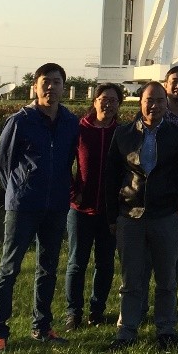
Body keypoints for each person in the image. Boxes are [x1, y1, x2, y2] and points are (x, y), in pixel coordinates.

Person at [0, 62, 80, 352]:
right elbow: (2, 163)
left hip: (56, 206)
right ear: (35, 87)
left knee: (48, 268)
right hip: (24, 205)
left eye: (57, 82)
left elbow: (69, 160)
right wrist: (18, 190)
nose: (51, 87)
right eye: (45, 81)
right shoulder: (20, 121)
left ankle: (41, 327)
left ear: (64, 87)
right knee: (9, 268)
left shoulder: (70, 122)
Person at [104, 80, 178, 351]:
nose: (154, 105)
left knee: (167, 279)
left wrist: (177, 203)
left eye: (159, 100)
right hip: (130, 215)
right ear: (140, 103)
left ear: (166, 103)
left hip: (165, 215)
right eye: (149, 100)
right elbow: (111, 176)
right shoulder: (123, 134)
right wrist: (112, 216)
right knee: (131, 279)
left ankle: (166, 331)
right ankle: (126, 331)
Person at [64, 82, 122, 331]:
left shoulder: (121, 133)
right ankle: (73, 312)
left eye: (113, 100)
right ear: (95, 101)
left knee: (105, 263)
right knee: (77, 262)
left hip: (110, 211)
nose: (108, 104)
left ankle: (97, 311)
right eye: (103, 99)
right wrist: (73, 192)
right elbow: (64, 164)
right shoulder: (80, 129)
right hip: (81, 209)